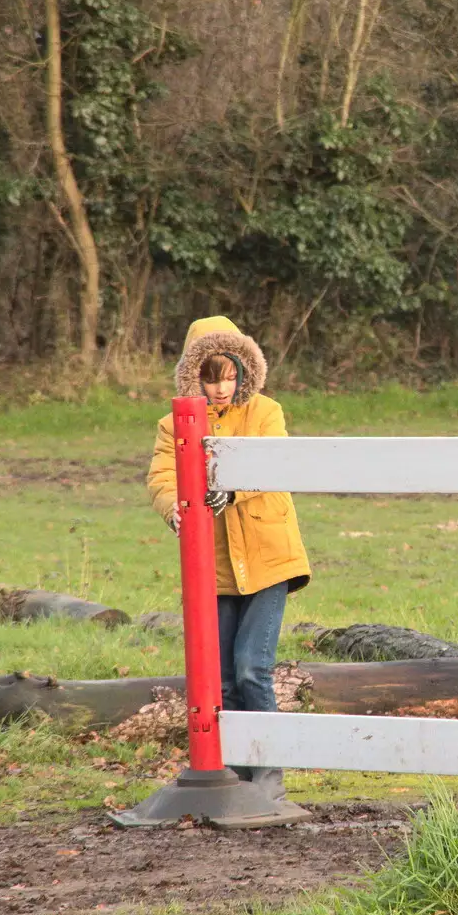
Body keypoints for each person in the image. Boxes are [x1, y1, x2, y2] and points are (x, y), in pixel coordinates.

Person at [147, 316, 312, 800]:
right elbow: (162, 476)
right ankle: (237, 778)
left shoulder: (266, 411)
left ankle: (269, 776)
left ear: (244, 372)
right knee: (220, 679)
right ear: (192, 374)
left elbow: (272, 460)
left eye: (230, 376)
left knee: (250, 669)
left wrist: (232, 488)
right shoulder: (170, 424)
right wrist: (174, 508)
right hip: (214, 568)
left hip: (268, 560)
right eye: (210, 376)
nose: (221, 388)